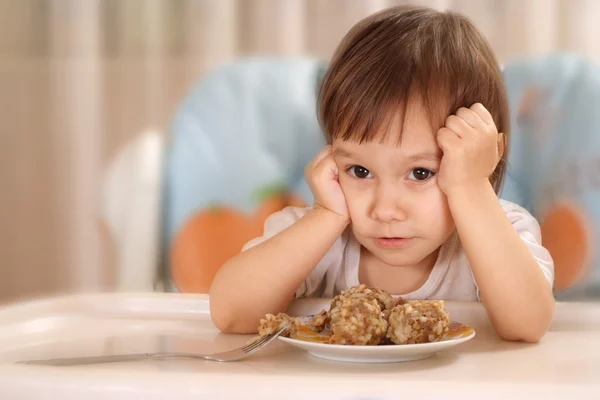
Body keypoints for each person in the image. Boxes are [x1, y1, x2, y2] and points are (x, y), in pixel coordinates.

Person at [209, 5, 555, 342]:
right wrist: (327, 216)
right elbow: (231, 314)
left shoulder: (501, 230)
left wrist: (472, 189)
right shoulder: (319, 237)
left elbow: (526, 325)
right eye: (360, 170)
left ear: (480, 158)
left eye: (420, 173)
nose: (385, 210)